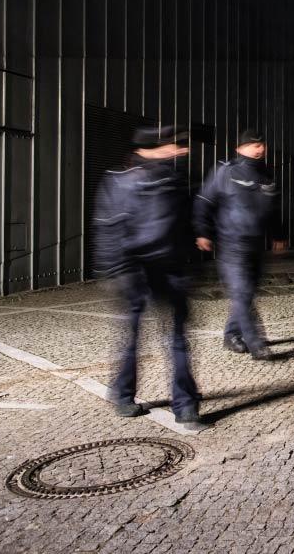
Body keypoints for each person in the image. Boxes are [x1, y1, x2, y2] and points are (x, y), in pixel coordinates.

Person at [92, 126, 201, 423]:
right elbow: (108, 227)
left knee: (177, 338)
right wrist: (115, 270)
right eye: (171, 145)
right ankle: (123, 394)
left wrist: (191, 266)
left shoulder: (176, 180)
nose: (178, 149)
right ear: (148, 149)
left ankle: (186, 405)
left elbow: (185, 225)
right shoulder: (120, 181)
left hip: (170, 270)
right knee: (132, 338)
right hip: (134, 270)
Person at [194, 129, 287, 359]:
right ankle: (257, 344)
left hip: (256, 245)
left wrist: (278, 234)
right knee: (242, 291)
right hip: (231, 244)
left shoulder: (267, 175)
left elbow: (273, 210)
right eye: (254, 145)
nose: (260, 148)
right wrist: (203, 231)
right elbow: (204, 202)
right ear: (240, 148)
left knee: (246, 293)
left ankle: (231, 335)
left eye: (262, 144)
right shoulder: (226, 171)